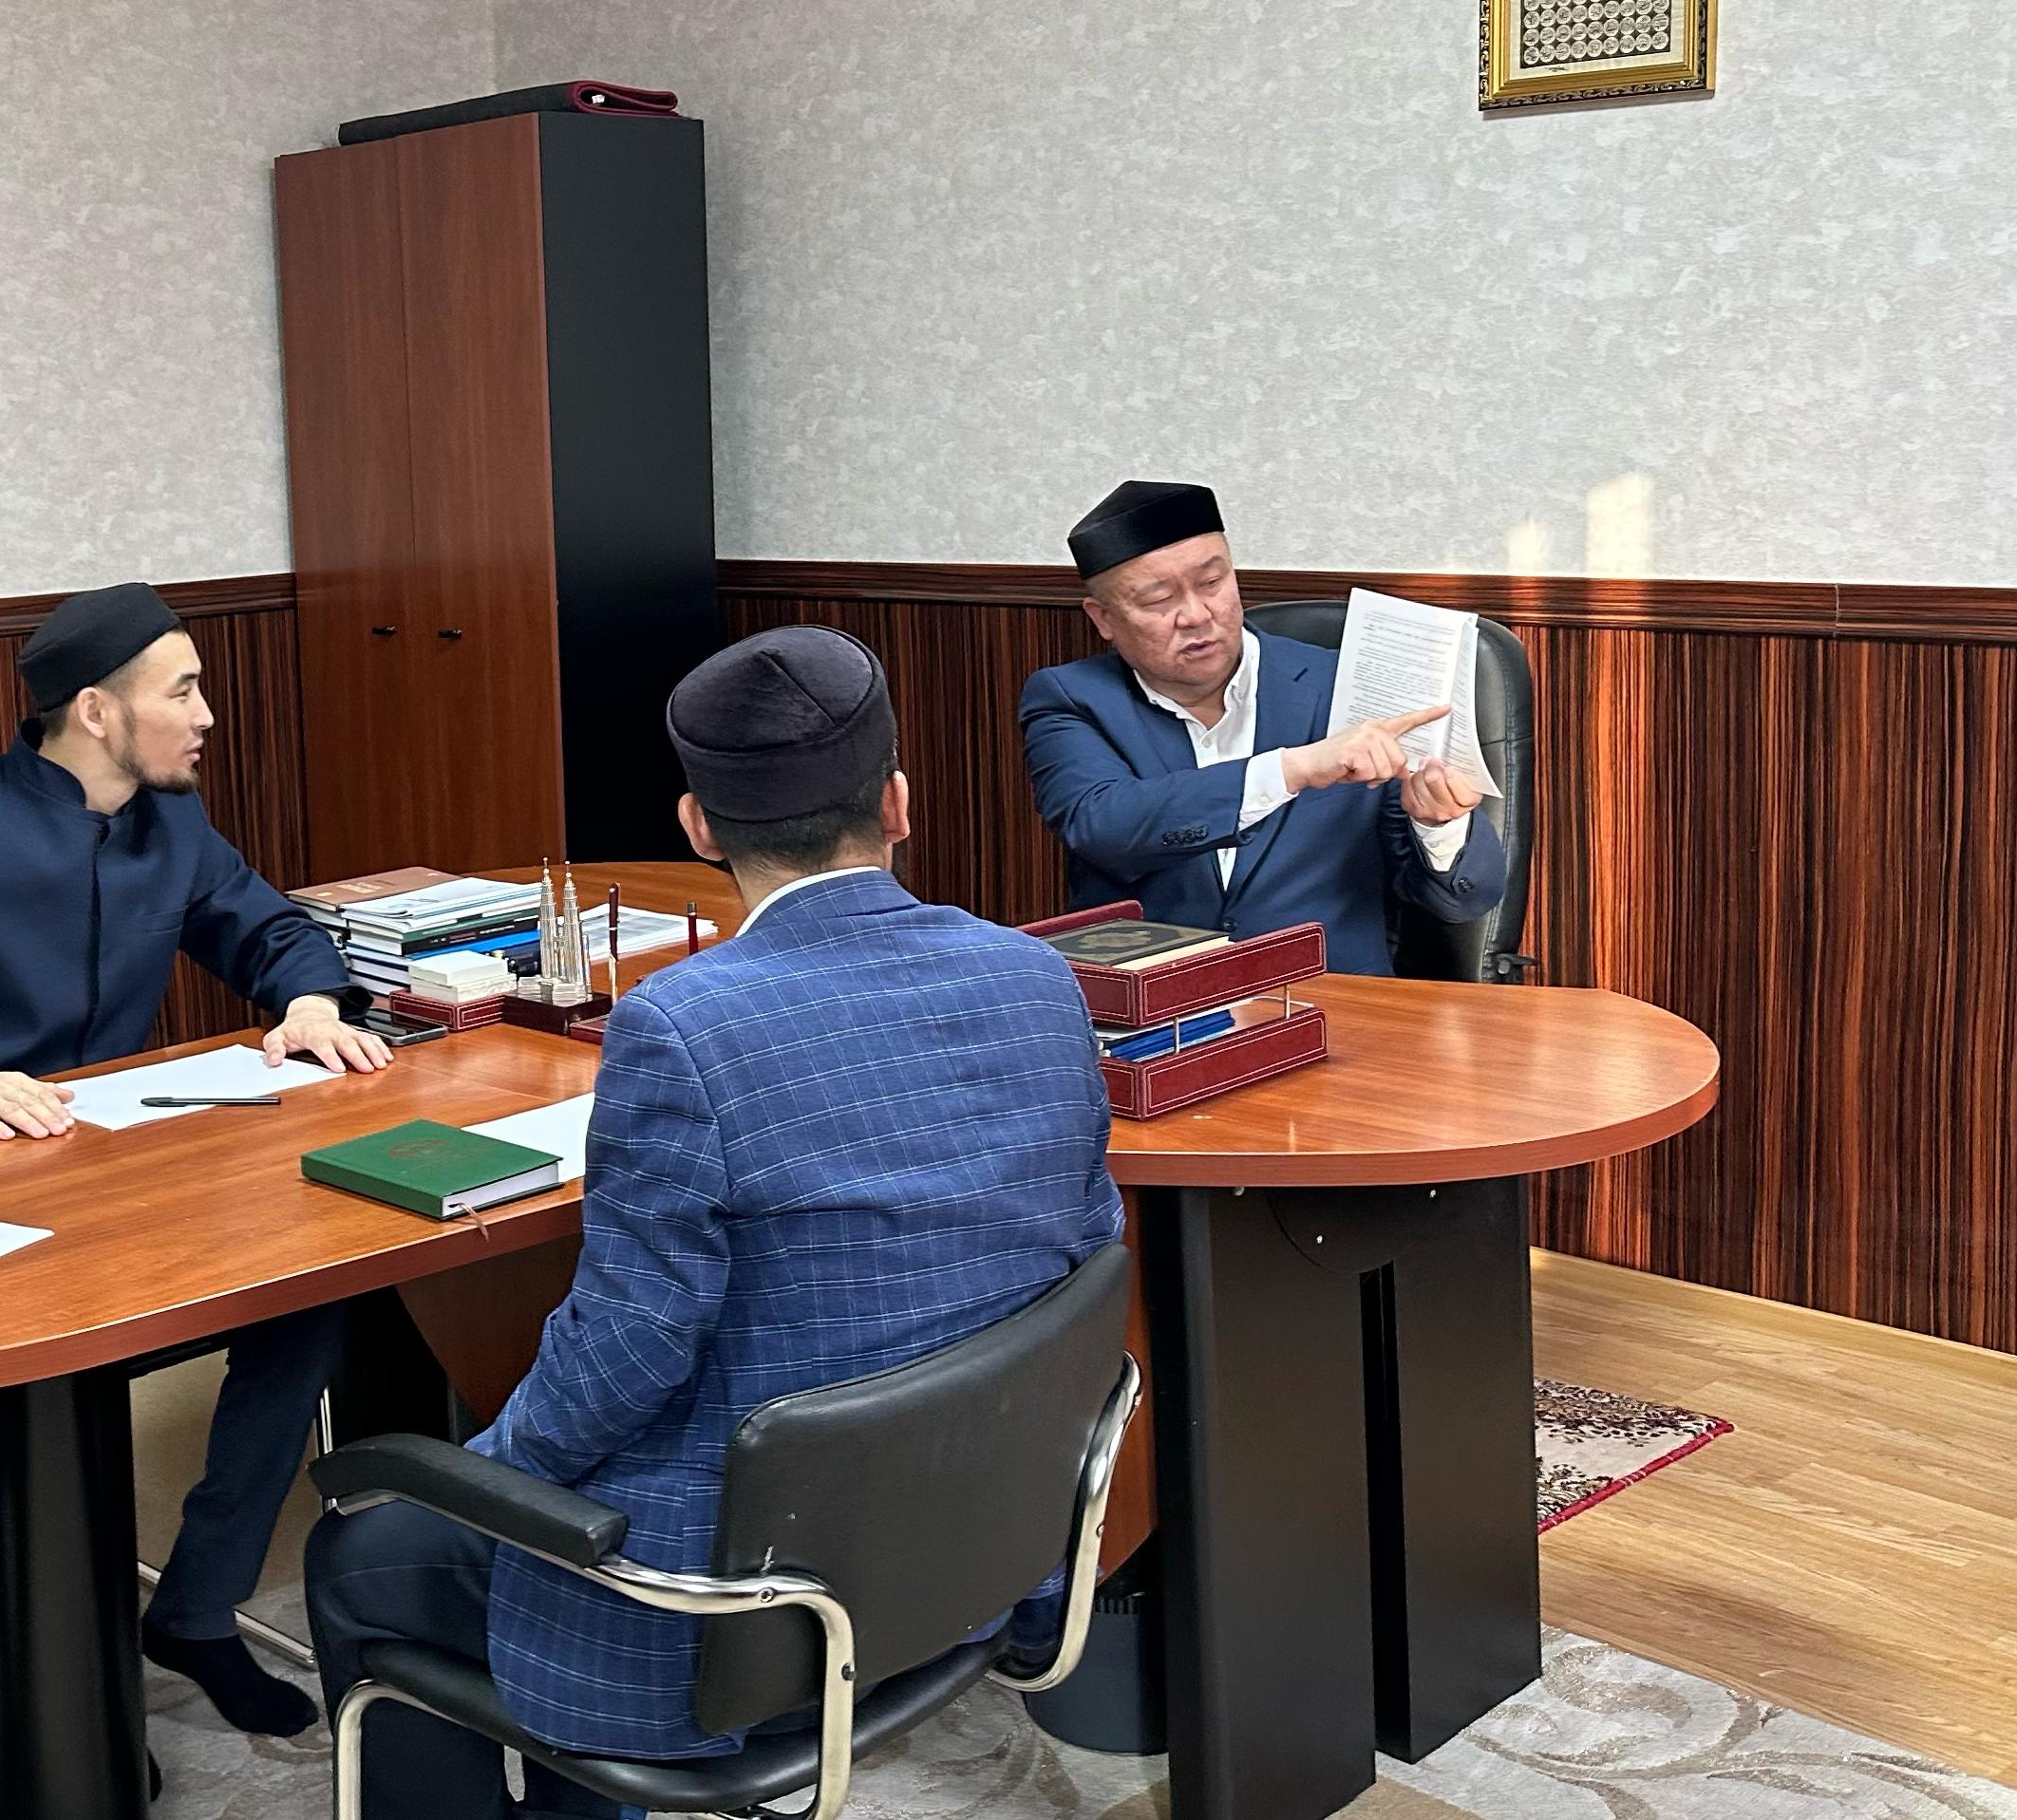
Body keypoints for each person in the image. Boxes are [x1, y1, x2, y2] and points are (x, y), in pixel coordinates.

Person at [302, 626, 1123, 1818]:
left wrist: (478, 1478)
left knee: (363, 1551)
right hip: (962, 1559)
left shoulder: (684, 1025)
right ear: (899, 803)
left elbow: (631, 1348)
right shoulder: (1037, 977)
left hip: (735, 1614)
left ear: (698, 826)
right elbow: (1083, 1256)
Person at [0, 579, 390, 1733]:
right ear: (98, 711)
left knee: (312, 1293)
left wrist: (307, 1001)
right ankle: (78, 1702)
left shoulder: (173, 823)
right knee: (69, 1376)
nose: (207, 715)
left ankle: (196, 1609)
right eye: (183, 692)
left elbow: (271, 930)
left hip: (118, 1189)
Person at [1019, 479, 1506, 974]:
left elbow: (1461, 900)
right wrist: (1292, 769)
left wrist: (1437, 825)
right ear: (1103, 618)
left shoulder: (1348, 688)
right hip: (1158, 999)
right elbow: (1103, 825)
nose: (1197, 615)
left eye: (1212, 582)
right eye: (1158, 599)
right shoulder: (1072, 698)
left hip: (1333, 995)